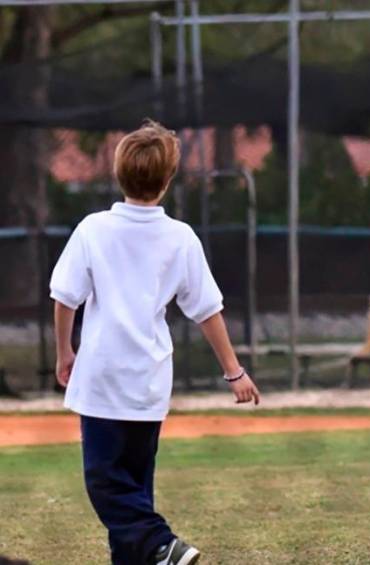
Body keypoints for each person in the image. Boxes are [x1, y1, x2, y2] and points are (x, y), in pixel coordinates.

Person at [50, 121, 260, 565]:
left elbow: (65, 297)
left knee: (104, 481)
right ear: (167, 181)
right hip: (148, 381)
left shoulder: (93, 229)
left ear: (118, 173)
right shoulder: (179, 237)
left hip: (103, 379)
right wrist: (233, 371)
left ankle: (162, 544)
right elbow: (207, 309)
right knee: (134, 485)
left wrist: (65, 351)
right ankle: (152, 553)